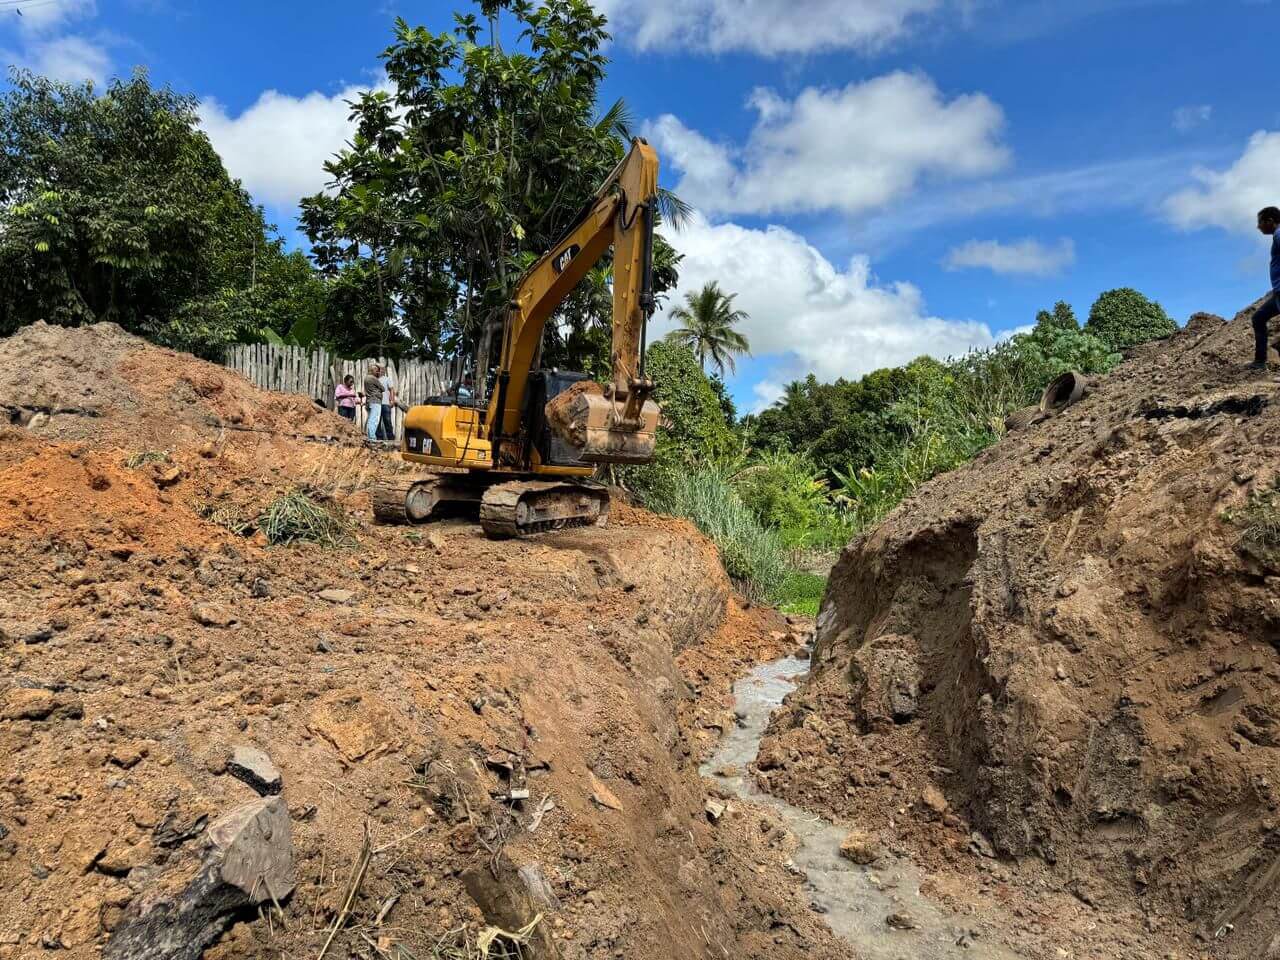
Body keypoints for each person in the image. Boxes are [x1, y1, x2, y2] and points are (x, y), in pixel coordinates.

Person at [1251, 206, 1280, 370]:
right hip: (1277, 292)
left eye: (1260, 222)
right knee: (1258, 318)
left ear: (1270, 221)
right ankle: (1260, 362)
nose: (1258, 226)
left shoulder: (1279, 234)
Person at [363, 364, 385, 442]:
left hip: (369, 401)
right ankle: (372, 437)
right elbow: (383, 388)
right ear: (372, 370)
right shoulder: (373, 378)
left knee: (370, 419)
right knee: (374, 420)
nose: (377, 372)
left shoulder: (366, 378)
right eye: (376, 370)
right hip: (375, 401)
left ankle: (370, 436)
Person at [379, 369, 397, 441]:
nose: (380, 371)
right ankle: (379, 439)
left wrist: (392, 400)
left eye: (381, 370)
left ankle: (391, 439)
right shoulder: (374, 379)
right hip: (377, 404)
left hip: (386, 403)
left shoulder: (387, 379)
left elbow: (392, 389)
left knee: (388, 422)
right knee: (377, 422)